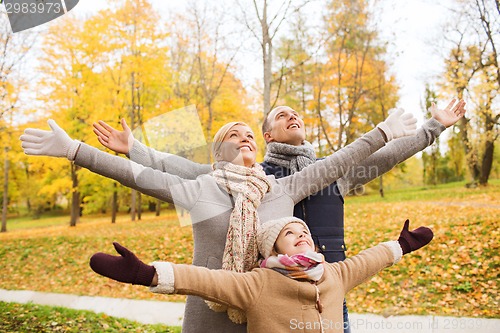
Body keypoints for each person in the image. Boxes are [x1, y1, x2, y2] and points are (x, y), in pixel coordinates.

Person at [93, 99, 465, 332]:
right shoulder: (251, 179)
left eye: (296, 113)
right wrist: (135, 149)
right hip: (265, 295)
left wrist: (434, 127)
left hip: (327, 288)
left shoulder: (332, 172)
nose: (293, 116)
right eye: (281, 115)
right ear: (268, 135)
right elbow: (178, 169)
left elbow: (386, 155)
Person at [20, 113, 414, 332]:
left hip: (272, 318)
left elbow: (339, 162)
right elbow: (133, 175)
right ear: (217, 151)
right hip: (209, 316)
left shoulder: (281, 190)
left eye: (249, 135)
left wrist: (381, 133)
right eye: (234, 135)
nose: (244, 138)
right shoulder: (201, 189)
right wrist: (74, 149)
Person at [89, 217, 433, 333]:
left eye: (304, 230)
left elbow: (371, 259)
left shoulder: (334, 274)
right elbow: (203, 280)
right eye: (290, 233)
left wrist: (402, 244)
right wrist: (145, 273)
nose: (301, 234)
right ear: (274, 251)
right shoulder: (258, 282)